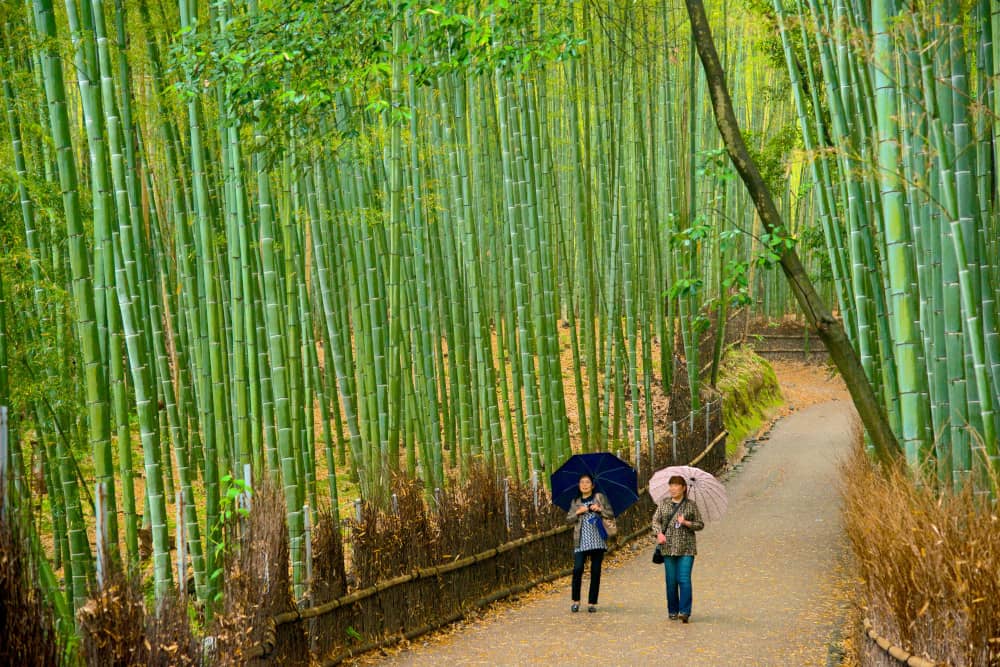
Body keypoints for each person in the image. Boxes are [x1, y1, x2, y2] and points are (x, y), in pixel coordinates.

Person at [651, 475, 704, 623]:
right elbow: (655, 521)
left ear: (683, 488)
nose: (672, 488)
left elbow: (700, 524)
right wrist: (659, 533)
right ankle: (673, 610)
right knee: (671, 581)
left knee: (684, 579)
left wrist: (686, 522)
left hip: (686, 547)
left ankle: (685, 611)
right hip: (667, 548)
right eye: (671, 485)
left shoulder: (691, 505)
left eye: (676, 485)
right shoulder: (664, 504)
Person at [566, 473, 614, 613]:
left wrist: (600, 509)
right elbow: (568, 519)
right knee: (578, 569)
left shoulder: (599, 498)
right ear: (579, 485)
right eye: (582, 482)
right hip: (581, 541)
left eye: (587, 482)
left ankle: (592, 603)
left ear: (592, 485)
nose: (584, 485)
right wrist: (578, 512)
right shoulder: (576, 501)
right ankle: (576, 601)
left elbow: (610, 514)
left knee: (595, 571)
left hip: (597, 540)